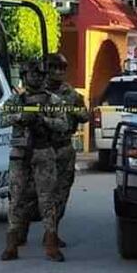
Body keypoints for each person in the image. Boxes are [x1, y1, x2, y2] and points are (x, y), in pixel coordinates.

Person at [0, 59, 67, 262]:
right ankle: (11, 244)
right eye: (32, 74)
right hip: (20, 154)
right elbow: (1, 120)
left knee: (48, 200)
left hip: (43, 152)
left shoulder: (53, 101)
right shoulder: (15, 100)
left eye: (39, 74)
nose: (35, 77)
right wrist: (20, 117)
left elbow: (63, 124)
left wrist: (43, 120)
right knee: (16, 199)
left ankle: (51, 245)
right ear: (25, 76)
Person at [46, 52, 88, 247]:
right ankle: (20, 229)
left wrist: (73, 110)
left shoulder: (71, 95)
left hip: (63, 147)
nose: (58, 72)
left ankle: (52, 231)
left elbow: (85, 116)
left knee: (61, 191)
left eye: (62, 68)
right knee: (35, 192)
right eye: (54, 67)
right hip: (40, 147)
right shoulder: (36, 92)